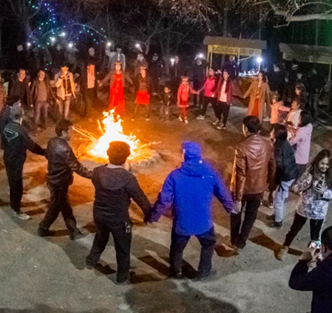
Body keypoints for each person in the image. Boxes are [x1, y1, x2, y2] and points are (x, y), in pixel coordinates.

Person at [149, 141, 234, 279]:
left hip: (182, 222)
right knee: (208, 244)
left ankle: (176, 271)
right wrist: (230, 207)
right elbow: (222, 192)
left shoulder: (174, 176)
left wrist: (154, 216)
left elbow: (164, 199)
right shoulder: (210, 173)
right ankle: (204, 272)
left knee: (177, 248)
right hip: (204, 221)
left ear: (184, 155)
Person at [86, 141, 152, 284]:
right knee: (122, 246)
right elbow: (140, 198)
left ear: (108, 154)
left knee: (100, 237)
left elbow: (103, 179)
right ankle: (122, 276)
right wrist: (149, 214)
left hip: (99, 214)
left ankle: (91, 260)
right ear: (126, 158)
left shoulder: (97, 172)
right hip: (119, 218)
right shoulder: (128, 178)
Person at [276, 150, 332, 260]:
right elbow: (296, 187)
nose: (324, 167)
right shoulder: (309, 172)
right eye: (322, 163)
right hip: (304, 207)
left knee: (315, 236)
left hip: (319, 211)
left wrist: (324, 193)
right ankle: (285, 246)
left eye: (327, 164)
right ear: (317, 161)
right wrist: (306, 183)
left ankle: (312, 253)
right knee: (294, 229)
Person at [38, 119, 92, 238]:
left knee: (65, 207)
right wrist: (94, 175)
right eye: (70, 131)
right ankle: (43, 228)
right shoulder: (65, 149)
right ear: (63, 132)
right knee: (55, 208)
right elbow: (77, 167)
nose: (72, 133)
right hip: (59, 183)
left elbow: (48, 154)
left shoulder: (52, 142)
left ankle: (73, 231)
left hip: (53, 180)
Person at [229, 116, 275, 251]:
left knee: (236, 214)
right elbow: (272, 165)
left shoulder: (242, 147)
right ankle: (242, 241)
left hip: (243, 189)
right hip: (259, 187)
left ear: (245, 128)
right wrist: (267, 182)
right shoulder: (268, 143)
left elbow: (240, 174)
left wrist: (238, 198)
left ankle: (234, 240)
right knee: (251, 214)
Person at [1, 105, 45, 220]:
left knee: (12, 182)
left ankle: (13, 202)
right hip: (17, 161)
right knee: (18, 186)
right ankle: (16, 209)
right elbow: (32, 146)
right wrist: (44, 152)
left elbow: (3, 143)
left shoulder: (7, 127)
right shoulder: (21, 131)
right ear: (21, 116)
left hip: (7, 158)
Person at [270, 124, 298, 228]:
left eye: (272, 131)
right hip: (291, 173)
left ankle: (278, 221)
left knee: (278, 199)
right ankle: (275, 215)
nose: (270, 133)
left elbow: (279, 165)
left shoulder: (278, 147)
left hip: (285, 177)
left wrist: (276, 179)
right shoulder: (285, 143)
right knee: (277, 196)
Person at [289, 105, 313, 178]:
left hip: (300, 156)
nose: (298, 119)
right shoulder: (309, 126)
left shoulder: (301, 131)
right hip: (305, 153)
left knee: (298, 174)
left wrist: (289, 140)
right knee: (302, 172)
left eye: (299, 118)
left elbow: (293, 141)